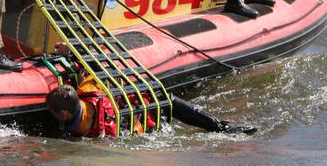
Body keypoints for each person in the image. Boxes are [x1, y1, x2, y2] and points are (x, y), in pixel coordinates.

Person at [46, 83, 257, 137]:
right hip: (146, 102)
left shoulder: (93, 131)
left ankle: (221, 127)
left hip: (146, 115)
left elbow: (132, 131)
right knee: (169, 100)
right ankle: (221, 127)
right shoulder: (87, 90)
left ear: (63, 115)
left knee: (167, 107)